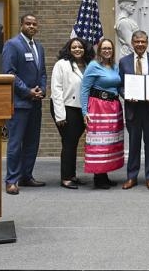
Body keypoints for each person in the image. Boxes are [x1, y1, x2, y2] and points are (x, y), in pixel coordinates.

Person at [2, 14, 47, 195]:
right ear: (21, 25)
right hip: (20, 102)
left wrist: (42, 90)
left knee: (32, 142)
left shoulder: (39, 47)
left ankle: (26, 176)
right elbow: (9, 73)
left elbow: (42, 72)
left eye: (34, 24)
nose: (31, 26)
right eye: (28, 24)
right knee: (15, 143)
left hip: (36, 103)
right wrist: (27, 91)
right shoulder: (12, 45)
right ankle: (11, 180)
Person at [119, 31, 149, 190]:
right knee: (133, 144)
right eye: (137, 42)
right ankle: (132, 177)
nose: (140, 44)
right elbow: (120, 85)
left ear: (147, 43)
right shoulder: (124, 62)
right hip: (133, 109)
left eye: (143, 42)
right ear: (132, 43)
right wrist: (126, 95)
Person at [50, 38, 95, 189]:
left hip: (81, 109)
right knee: (69, 142)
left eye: (80, 47)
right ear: (69, 49)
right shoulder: (61, 64)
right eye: (74, 47)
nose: (77, 49)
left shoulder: (88, 64)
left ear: (84, 49)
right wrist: (60, 115)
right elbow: (56, 90)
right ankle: (66, 178)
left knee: (73, 142)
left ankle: (72, 174)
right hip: (65, 107)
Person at [80, 39, 124, 189]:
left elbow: (119, 87)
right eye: (104, 48)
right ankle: (98, 178)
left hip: (113, 108)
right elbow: (84, 89)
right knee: (99, 143)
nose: (107, 51)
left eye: (109, 48)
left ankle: (104, 175)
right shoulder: (93, 66)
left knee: (109, 143)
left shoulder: (115, 66)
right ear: (99, 50)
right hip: (98, 108)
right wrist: (85, 112)